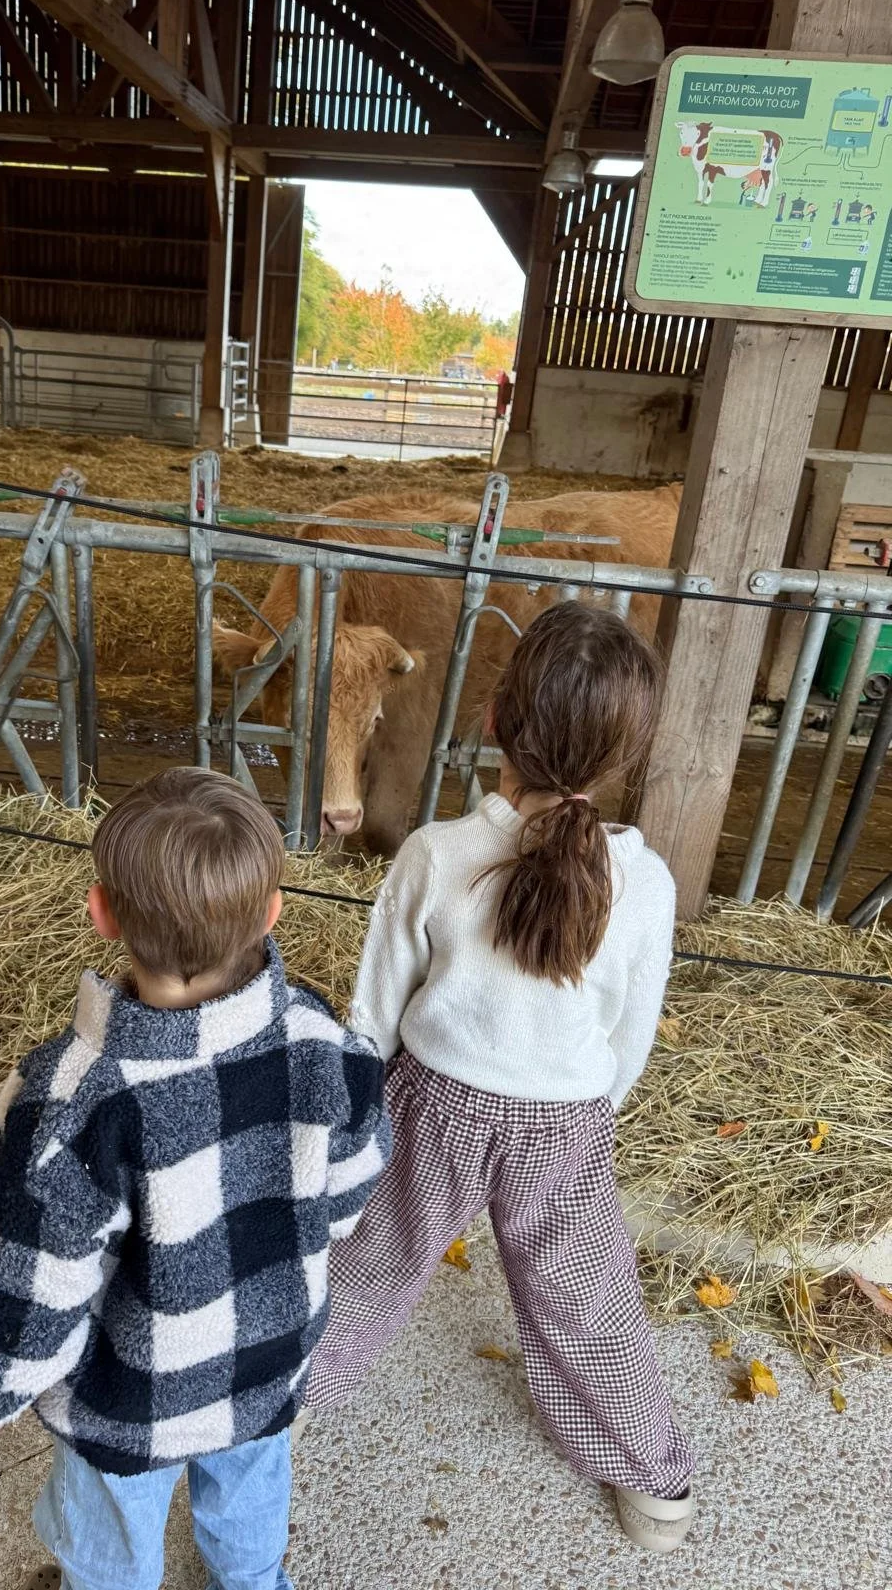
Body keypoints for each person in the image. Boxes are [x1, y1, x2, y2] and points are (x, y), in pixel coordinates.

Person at [0, 767, 391, 1590]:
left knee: (112, 1535)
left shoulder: (73, 1095)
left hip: (129, 1398)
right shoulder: (324, 1039)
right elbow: (353, 1187)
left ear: (100, 912)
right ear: (273, 911)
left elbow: (38, 1276)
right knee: (252, 1498)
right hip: (266, 1363)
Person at [304, 601, 695, 1554]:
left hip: (432, 1101)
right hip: (565, 1120)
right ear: (623, 757)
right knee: (584, 1296)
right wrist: (584, 1112)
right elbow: (628, 1039)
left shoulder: (435, 854)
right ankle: (655, 1483)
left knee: (369, 1263)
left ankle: (284, 1402)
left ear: (492, 722)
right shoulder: (645, 884)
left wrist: (353, 1123)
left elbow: (372, 1015)